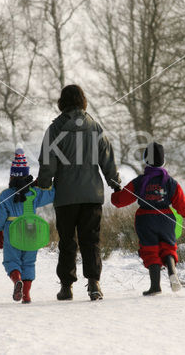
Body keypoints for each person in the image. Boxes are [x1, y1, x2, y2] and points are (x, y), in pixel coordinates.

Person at [36, 84, 121, 301]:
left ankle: (66, 287)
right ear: (83, 100)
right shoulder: (95, 127)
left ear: (62, 102)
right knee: (90, 240)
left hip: (65, 196)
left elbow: (48, 162)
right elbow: (107, 158)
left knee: (67, 241)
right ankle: (94, 284)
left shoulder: (55, 129)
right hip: (92, 195)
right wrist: (114, 182)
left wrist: (44, 183)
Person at [111, 142, 185, 296]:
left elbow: (120, 201)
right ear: (163, 161)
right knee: (168, 248)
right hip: (166, 219)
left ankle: (155, 286)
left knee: (150, 251)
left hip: (145, 220)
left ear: (146, 159)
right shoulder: (170, 182)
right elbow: (181, 203)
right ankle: (172, 271)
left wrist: (116, 192)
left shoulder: (140, 181)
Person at [0, 149, 55, 304]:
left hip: (12, 232)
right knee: (28, 262)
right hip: (31, 231)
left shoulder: (5, 195)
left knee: (11, 261)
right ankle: (26, 294)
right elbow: (52, 193)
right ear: (27, 175)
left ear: (11, 175)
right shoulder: (34, 193)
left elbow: (0, 216)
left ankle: (17, 280)